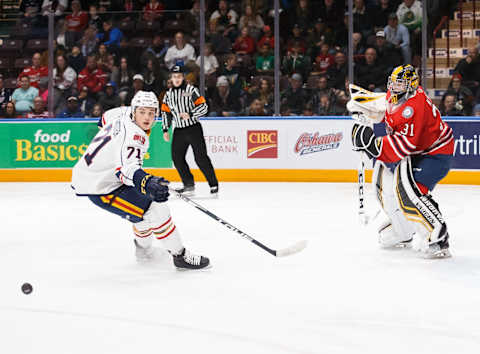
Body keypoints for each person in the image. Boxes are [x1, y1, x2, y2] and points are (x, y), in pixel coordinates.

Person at [71, 91, 210, 269]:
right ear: (135, 111)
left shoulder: (122, 113)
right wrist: (146, 182)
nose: (147, 117)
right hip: (101, 186)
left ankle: (143, 251)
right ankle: (179, 256)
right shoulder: (134, 136)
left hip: (97, 175)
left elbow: (104, 119)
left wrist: (112, 147)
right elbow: (126, 170)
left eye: (151, 113)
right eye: (143, 112)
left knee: (143, 214)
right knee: (157, 210)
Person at [350, 65, 454, 258]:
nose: (395, 87)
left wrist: (372, 145)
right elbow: (384, 106)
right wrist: (363, 107)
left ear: (411, 85)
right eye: (394, 82)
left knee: (411, 191)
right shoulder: (397, 94)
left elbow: (403, 145)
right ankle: (403, 230)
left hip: (436, 153)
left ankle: (438, 236)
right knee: (382, 184)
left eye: (400, 84)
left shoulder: (414, 106)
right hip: (417, 151)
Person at [161, 66, 218, 195]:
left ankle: (213, 184)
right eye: (174, 77)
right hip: (179, 130)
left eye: (179, 76)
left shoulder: (191, 90)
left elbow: (204, 107)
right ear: (171, 78)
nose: (176, 79)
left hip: (193, 129)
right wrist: (165, 129)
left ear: (183, 77)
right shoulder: (168, 95)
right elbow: (165, 113)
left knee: (200, 158)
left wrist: (191, 114)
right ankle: (188, 184)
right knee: (177, 158)